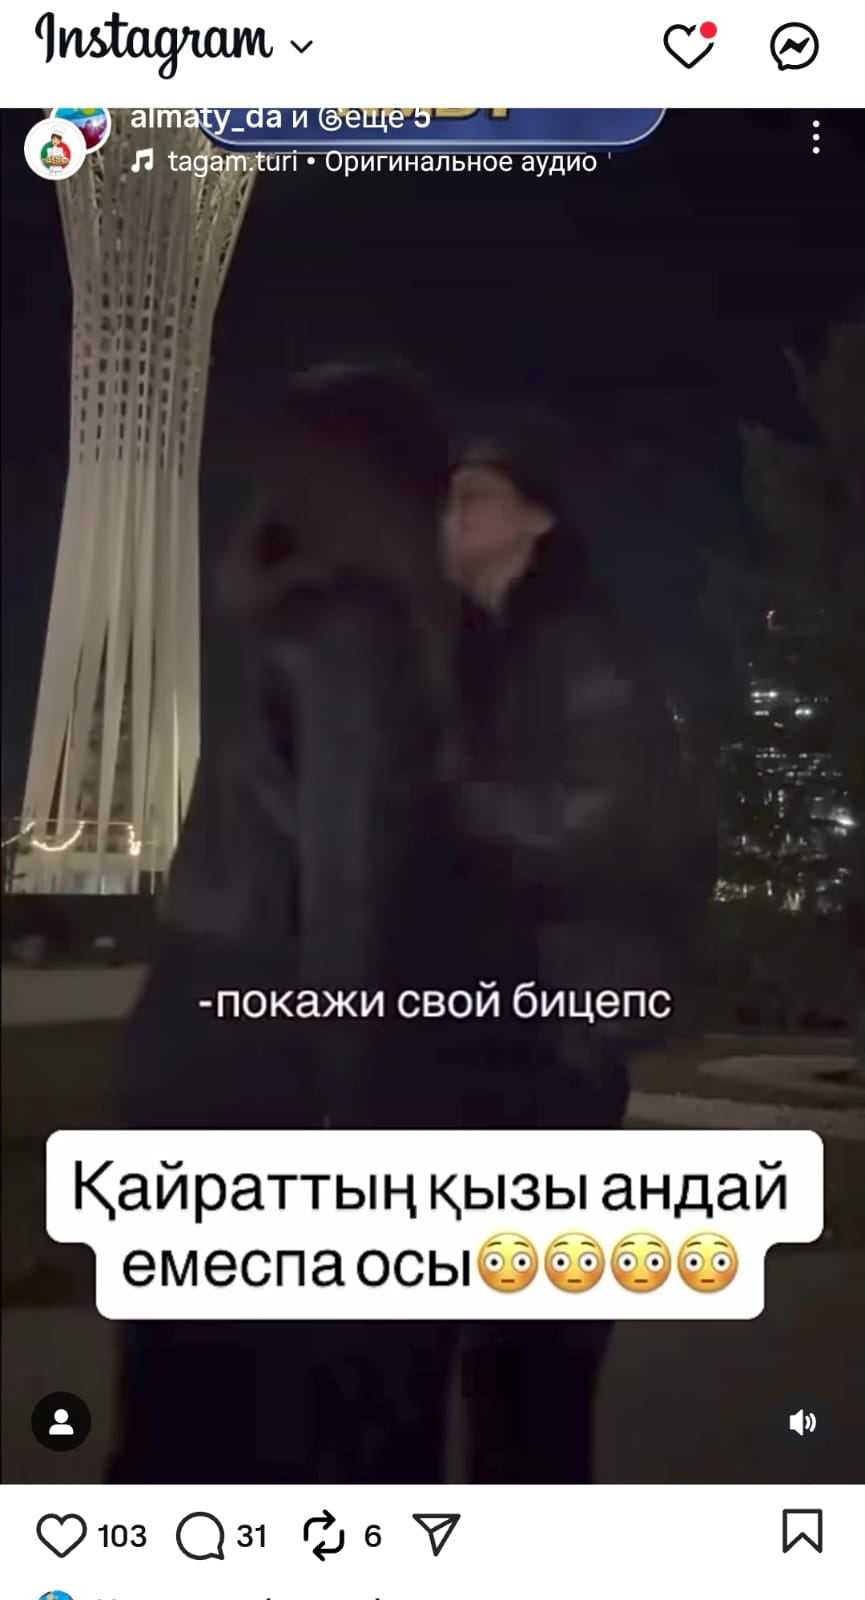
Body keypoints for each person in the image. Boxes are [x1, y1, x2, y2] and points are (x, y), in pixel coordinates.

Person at [110, 362, 461, 1482]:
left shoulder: (289, 632)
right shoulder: (360, 635)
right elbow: (353, 912)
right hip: (269, 1090)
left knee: (183, 1426)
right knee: (317, 1434)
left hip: (186, 1074)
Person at [442, 414, 717, 1482]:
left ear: (537, 518)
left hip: (554, 1041)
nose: (447, 515)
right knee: (481, 1347)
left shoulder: (579, 651)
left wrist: (446, 815)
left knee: (538, 1351)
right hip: (476, 1040)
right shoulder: (469, 660)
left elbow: (614, 821)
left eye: (474, 494)